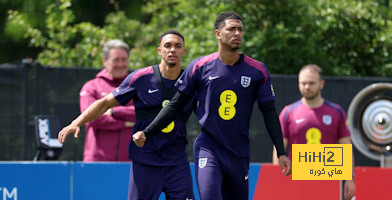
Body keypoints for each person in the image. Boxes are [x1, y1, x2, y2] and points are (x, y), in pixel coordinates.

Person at [133, 11, 292, 199]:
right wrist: (148, 132)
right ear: (217, 33)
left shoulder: (257, 71)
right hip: (209, 147)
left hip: (238, 151)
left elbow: (269, 113)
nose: (237, 33)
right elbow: (175, 105)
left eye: (240, 29)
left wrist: (281, 152)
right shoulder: (199, 67)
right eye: (231, 29)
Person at [58, 30, 195, 200]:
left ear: (184, 52)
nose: (172, 50)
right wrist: (76, 122)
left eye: (177, 46)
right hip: (146, 161)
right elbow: (105, 102)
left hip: (177, 162)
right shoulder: (140, 78)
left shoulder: (191, 81)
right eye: (168, 45)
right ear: (159, 50)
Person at [272, 64, 355, 200]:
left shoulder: (336, 111)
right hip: (296, 181)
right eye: (303, 83)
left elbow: (346, 146)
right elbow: (279, 148)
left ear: (321, 84)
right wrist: (278, 177)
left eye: (311, 83)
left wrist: (350, 178)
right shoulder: (288, 112)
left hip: (329, 179)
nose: (307, 87)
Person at [80, 39, 136, 162]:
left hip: (132, 161)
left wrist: (112, 112)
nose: (121, 64)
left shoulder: (137, 86)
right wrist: (124, 123)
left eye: (124, 60)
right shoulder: (91, 87)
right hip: (97, 161)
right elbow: (91, 117)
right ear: (105, 61)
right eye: (116, 60)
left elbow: (144, 113)